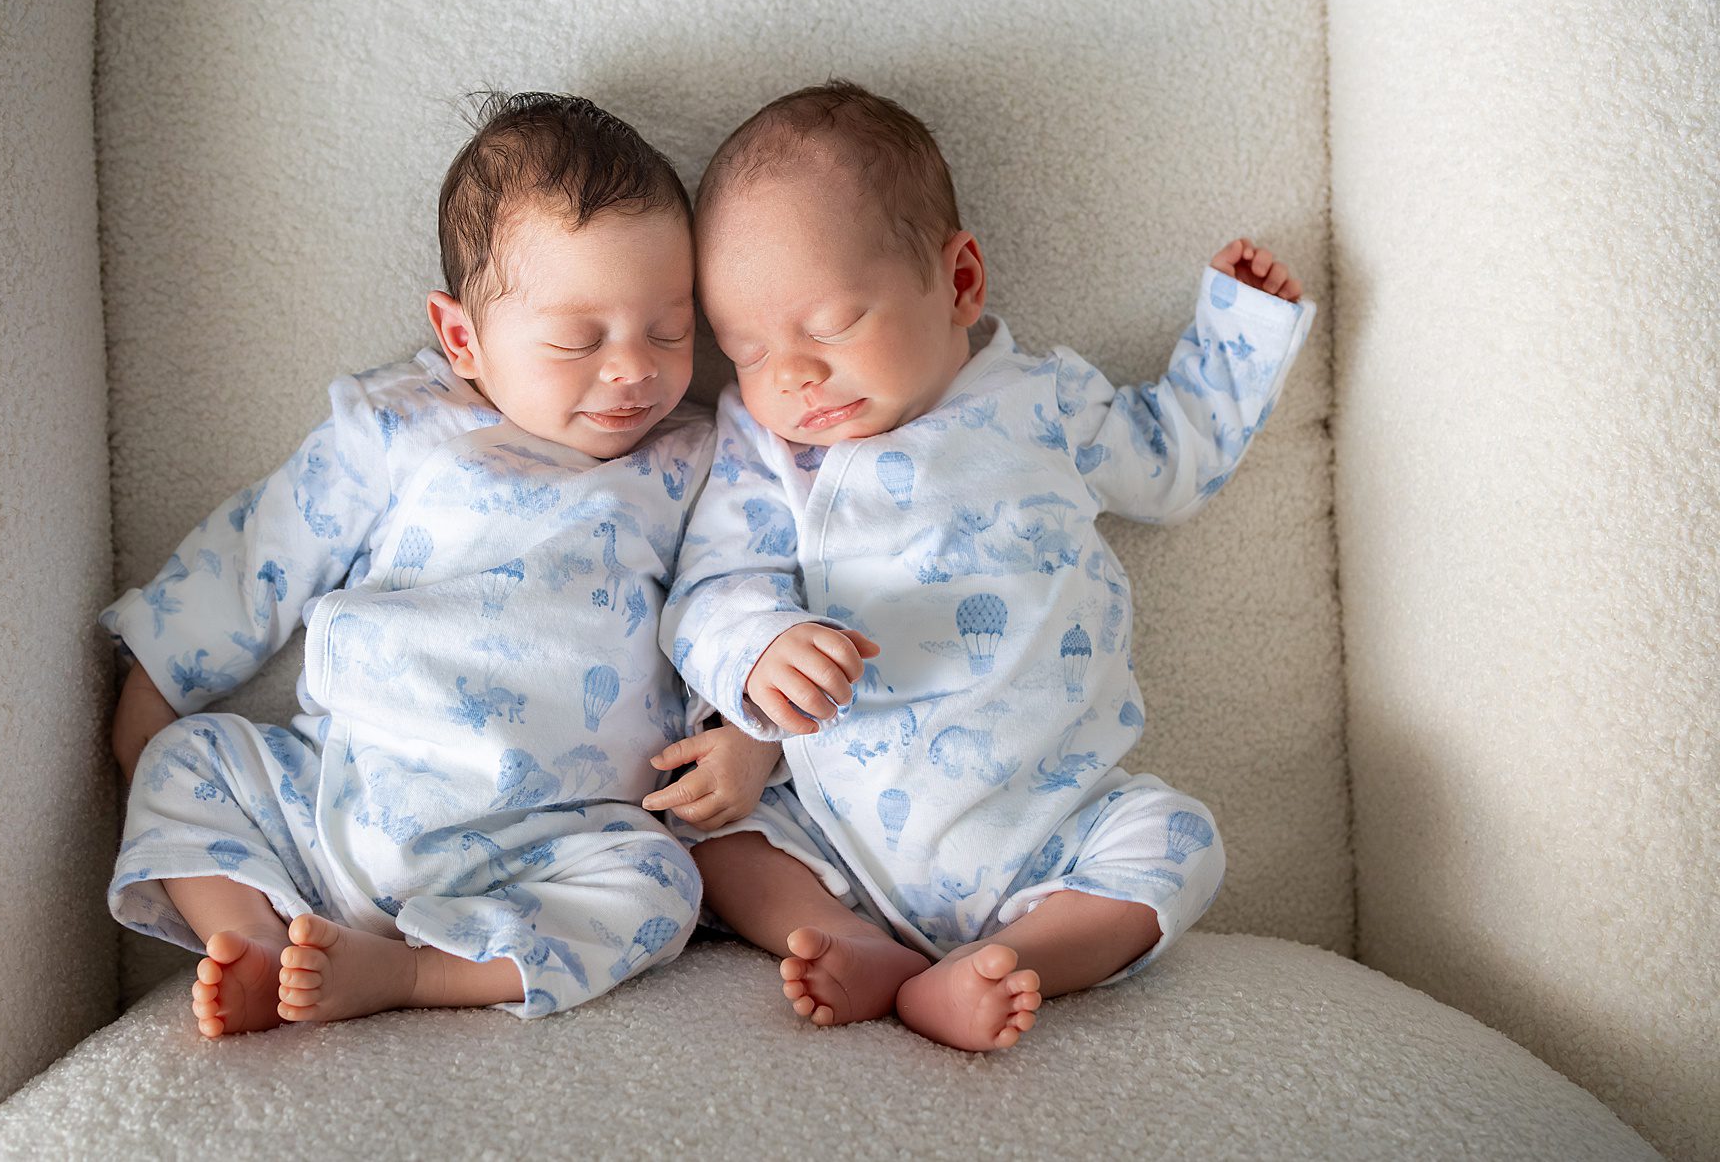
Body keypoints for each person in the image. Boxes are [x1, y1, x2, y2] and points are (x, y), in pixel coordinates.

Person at [651, 80, 1314, 1051]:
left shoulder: (1041, 401)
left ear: (958, 281)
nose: (788, 373)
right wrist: (760, 649)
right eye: (745, 348)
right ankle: (840, 933)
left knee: (1178, 843)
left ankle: (1010, 963)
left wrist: (1238, 330)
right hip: (840, 822)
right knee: (709, 833)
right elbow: (711, 583)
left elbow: (1172, 459)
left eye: (828, 323)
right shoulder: (771, 451)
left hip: (1047, 814)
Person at [102, 92, 710, 1037]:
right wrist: (159, 680)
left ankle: (414, 975)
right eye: (578, 341)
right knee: (186, 765)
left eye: (670, 330)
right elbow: (268, 547)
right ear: (463, 336)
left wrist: (744, 733)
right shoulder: (399, 427)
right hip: (345, 799)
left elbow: (740, 596)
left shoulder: (688, 462)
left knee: (664, 885)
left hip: (553, 834)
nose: (632, 370)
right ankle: (256, 941)